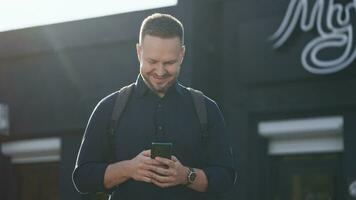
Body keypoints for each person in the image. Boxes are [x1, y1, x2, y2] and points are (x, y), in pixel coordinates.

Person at [72, 13, 235, 200]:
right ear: (139, 52)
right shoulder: (109, 108)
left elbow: (226, 177)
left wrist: (185, 175)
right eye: (152, 61)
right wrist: (129, 169)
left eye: (169, 63)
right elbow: (82, 179)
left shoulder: (206, 109)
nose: (160, 71)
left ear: (182, 54)